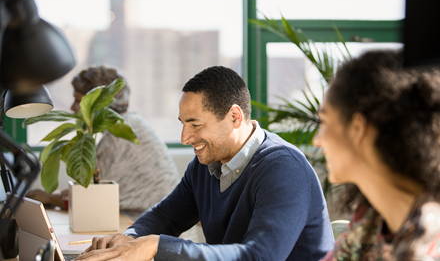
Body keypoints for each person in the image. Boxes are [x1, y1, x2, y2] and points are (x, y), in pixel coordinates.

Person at [75, 66, 334, 261]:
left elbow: (259, 257)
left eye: (195, 124)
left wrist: (156, 245)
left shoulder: (284, 168)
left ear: (234, 116)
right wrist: (129, 238)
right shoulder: (205, 165)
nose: (185, 138)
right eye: (183, 123)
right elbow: (166, 216)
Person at [313, 50, 440, 260]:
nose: (317, 140)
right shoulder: (372, 217)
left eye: (324, 122)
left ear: (356, 128)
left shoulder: (425, 249)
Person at [27, 65, 180, 219]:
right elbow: (95, 191)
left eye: (78, 100)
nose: (73, 108)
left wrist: (48, 198)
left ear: (99, 104)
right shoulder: (130, 124)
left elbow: (91, 203)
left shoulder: (118, 136)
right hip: (152, 226)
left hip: (158, 234)